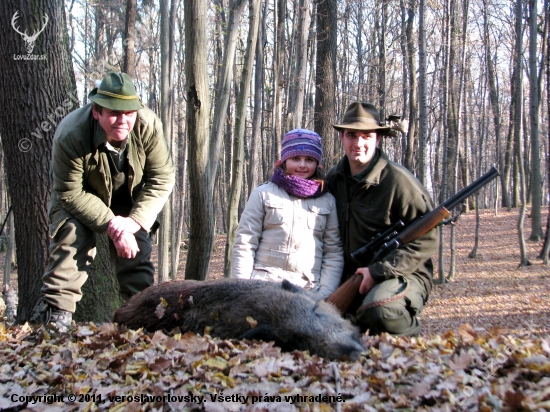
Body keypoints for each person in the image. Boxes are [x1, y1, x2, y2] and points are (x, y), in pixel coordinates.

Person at [41, 72, 175, 331]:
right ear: (96, 112)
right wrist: (112, 224)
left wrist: (134, 222)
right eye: (114, 113)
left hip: (129, 196)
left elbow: (162, 177)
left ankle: (142, 322)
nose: (123, 121)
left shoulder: (148, 126)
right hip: (81, 197)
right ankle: (57, 319)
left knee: (136, 249)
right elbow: (69, 192)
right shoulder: (71, 134)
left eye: (129, 113)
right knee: (71, 236)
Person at [326, 102, 438, 336]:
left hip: (404, 273)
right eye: (352, 135)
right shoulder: (334, 180)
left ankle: (411, 347)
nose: (358, 143)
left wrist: (378, 271)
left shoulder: (399, 183)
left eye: (366, 136)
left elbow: (427, 239)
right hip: (348, 277)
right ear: (342, 138)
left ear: (378, 139)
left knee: (380, 311)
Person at [232, 129, 344, 299]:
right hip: (262, 287)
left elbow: (333, 252)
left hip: (308, 291)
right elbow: (245, 243)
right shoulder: (263, 194)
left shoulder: (327, 200)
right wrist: (242, 288)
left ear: (318, 164)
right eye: (295, 158)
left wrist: (324, 294)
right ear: (284, 160)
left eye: (309, 159)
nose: (302, 165)